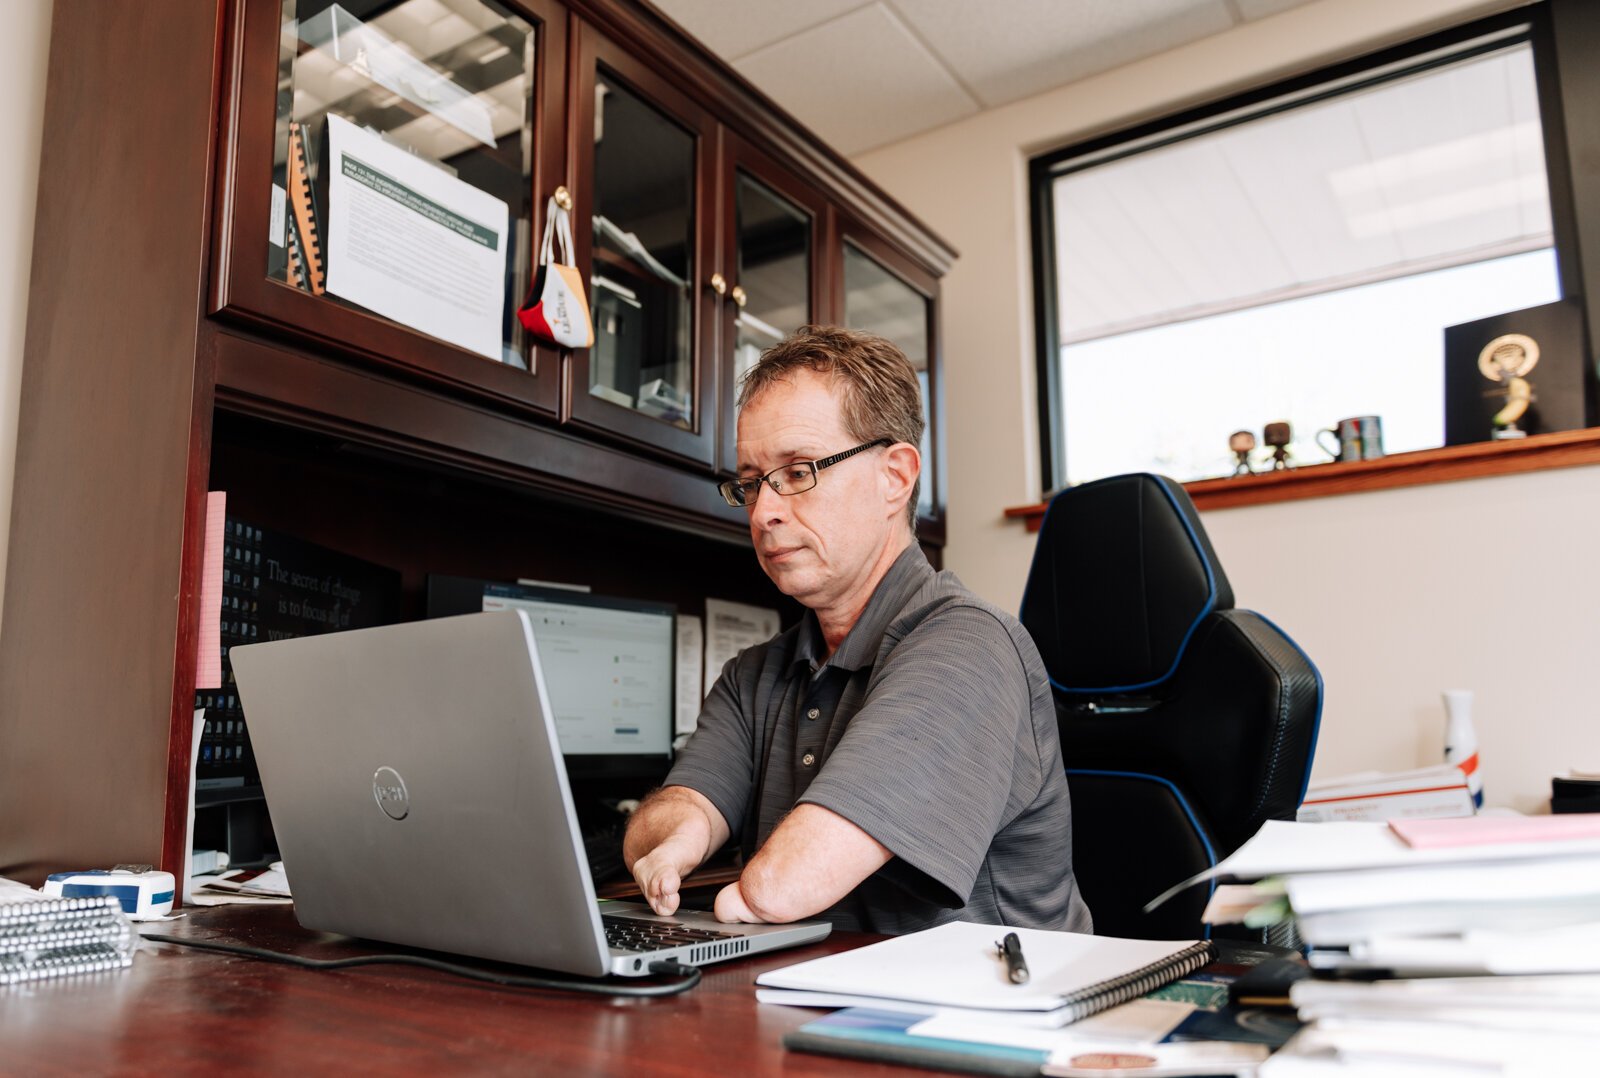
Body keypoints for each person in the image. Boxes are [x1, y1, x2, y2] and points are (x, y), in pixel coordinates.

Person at [623, 326, 1092, 934]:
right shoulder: (755, 673)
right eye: (750, 481)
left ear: (894, 477)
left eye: (797, 471)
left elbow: (777, 891)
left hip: (983, 1015)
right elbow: (673, 810)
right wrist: (677, 837)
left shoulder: (968, 647)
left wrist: (735, 898)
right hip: (819, 1001)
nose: (763, 511)